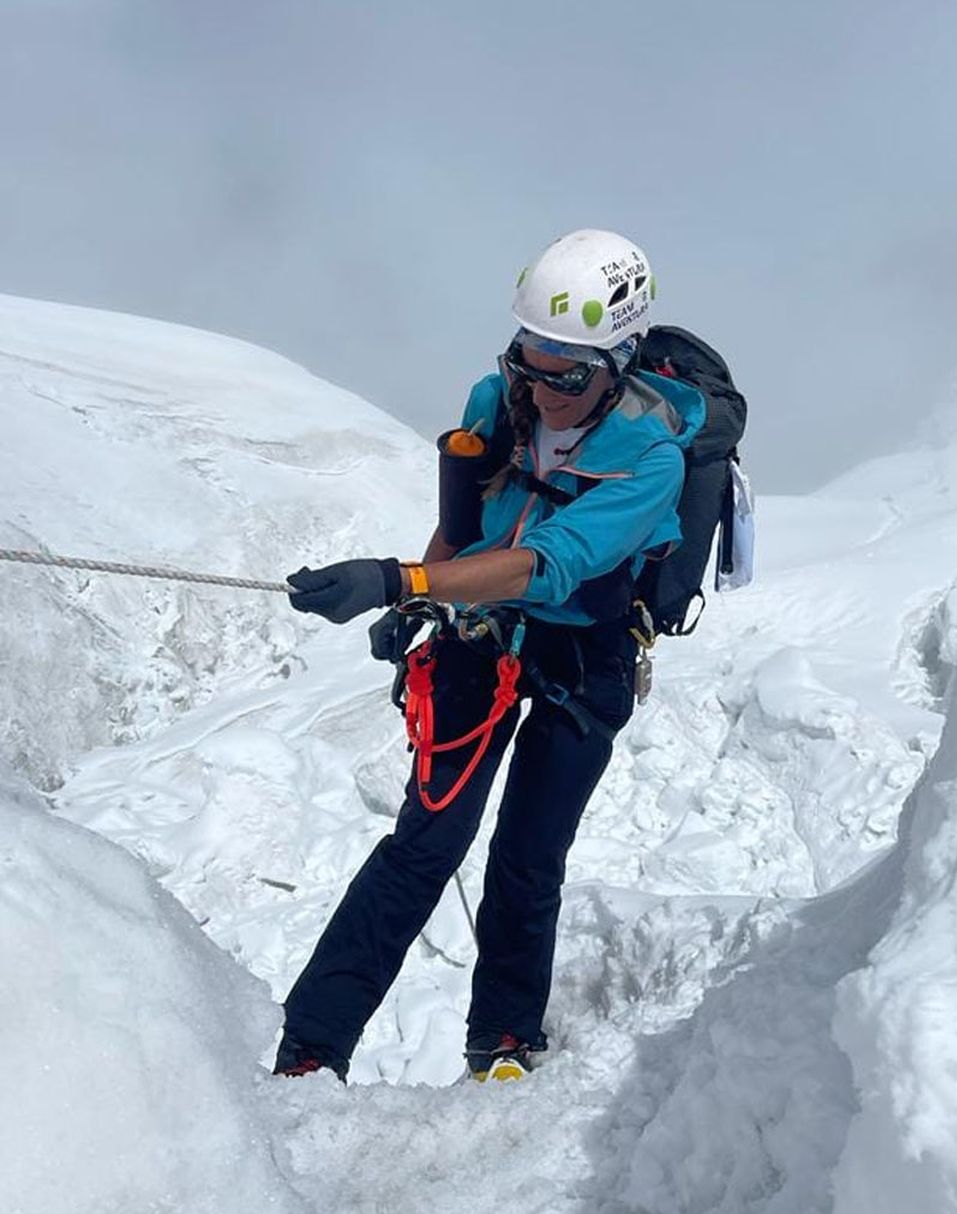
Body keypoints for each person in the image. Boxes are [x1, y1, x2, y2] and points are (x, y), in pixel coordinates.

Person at [274, 229, 705, 1082]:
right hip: (481, 634)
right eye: (530, 357)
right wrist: (428, 592)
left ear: (616, 361)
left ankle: (504, 1034)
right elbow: (468, 517)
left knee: (528, 849)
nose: (541, 385)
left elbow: (550, 564)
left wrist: (403, 583)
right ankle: (312, 1048)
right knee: (425, 843)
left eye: (565, 371)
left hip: (587, 655)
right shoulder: (497, 397)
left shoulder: (651, 458)